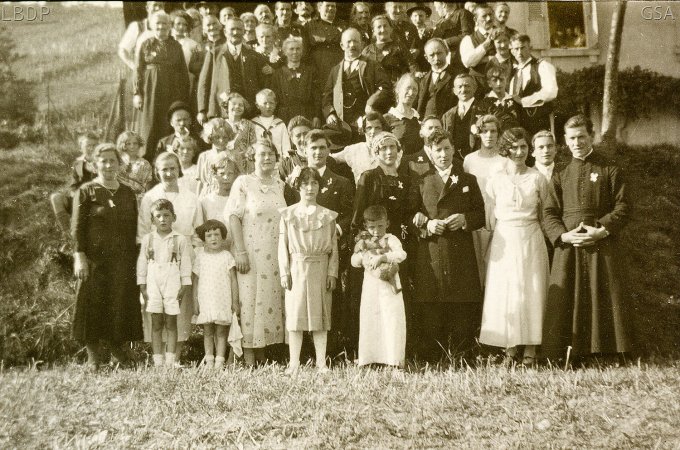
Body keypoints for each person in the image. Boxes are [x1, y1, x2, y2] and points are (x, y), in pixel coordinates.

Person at [542, 115, 632, 362]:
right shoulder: (560, 172)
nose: (577, 142)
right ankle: (567, 354)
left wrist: (602, 229)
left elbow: (623, 206)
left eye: (582, 136)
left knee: (602, 293)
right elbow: (548, 212)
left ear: (591, 136)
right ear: (565, 141)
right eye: (572, 138)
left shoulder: (609, 167)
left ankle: (606, 353)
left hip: (601, 243)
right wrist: (563, 235)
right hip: (569, 245)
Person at [408, 129, 485, 362]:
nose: (443, 154)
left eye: (447, 149)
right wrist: (427, 225)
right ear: (430, 153)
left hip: (459, 250)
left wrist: (465, 220)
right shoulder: (421, 181)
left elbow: (480, 214)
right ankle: (432, 354)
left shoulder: (467, 180)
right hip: (432, 252)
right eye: (438, 150)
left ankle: (461, 353)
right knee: (432, 301)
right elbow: (410, 215)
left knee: (460, 301)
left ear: (453, 150)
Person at [479, 127, 550, 366]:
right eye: (514, 147)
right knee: (507, 291)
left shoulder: (537, 177)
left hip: (530, 236)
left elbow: (543, 214)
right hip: (504, 238)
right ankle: (510, 347)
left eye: (524, 147)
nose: (520, 152)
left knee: (532, 289)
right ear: (505, 149)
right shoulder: (496, 179)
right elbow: (491, 215)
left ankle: (531, 347)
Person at [72, 144, 142, 370]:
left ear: (120, 164)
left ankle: (118, 353)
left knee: (119, 304)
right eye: (103, 161)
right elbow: (77, 227)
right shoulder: (86, 191)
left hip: (123, 260)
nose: (109, 165)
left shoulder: (128, 192)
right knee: (92, 304)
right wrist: (79, 256)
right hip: (94, 260)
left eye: (113, 160)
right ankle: (93, 357)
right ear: (94, 164)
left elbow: (135, 228)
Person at [226, 142, 289, 366]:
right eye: (262, 154)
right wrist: (240, 251)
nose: (267, 159)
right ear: (253, 157)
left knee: (269, 299)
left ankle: (263, 352)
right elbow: (234, 217)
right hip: (251, 252)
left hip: (275, 253)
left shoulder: (280, 185)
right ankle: (247, 355)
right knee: (249, 300)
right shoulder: (243, 183)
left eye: (271, 154)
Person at [138, 152, 204, 362]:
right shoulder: (149, 197)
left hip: (183, 254)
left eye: (172, 168)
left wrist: (194, 262)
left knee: (180, 307)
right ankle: (158, 356)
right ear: (157, 173)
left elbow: (198, 232)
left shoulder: (191, 197)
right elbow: (142, 233)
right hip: (156, 258)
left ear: (179, 169)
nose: (168, 173)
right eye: (164, 169)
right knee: (156, 307)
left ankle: (174, 356)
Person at [279, 167, 339, 373]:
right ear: (298, 187)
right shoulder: (288, 214)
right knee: (295, 317)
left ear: (319, 187)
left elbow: (334, 248)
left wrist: (332, 272)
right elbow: (283, 245)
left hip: (320, 269)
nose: (310, 188)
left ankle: (321, 363)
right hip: (296, 269)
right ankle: (294, 363)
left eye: (314, 183)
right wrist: (284, 272)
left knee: (320, 317)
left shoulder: (328, 216)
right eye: (305, 184)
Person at [137, 199, 192, 367]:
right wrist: (142, 285)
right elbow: (142, 262)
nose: (162, 219)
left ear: (173, 217)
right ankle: (158, 361)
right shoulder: (148, 239)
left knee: (171, 322)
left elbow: (186, 265)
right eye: (158, 216)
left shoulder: (180, 239)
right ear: (152, 220)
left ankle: (171, 360)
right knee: (156, 322)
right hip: (153, 283)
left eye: (166, 215)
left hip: (172, 283)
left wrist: (184, 285)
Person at [351, 205, 407, 367]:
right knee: (371, 317)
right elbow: (355, 262)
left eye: (380, 226)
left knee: (391, 317)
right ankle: (369, 357)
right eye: (372, 227)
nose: (376, 230)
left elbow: (401, 254)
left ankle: (393, 358)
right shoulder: (364, 241)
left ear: (387, 223)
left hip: (389, 286)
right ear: (365, 226)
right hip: (371, 286)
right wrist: (360, 257)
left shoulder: (391, 239)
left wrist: (383, 258)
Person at [134, 11, 191, 161]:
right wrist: (137, 93)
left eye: (164, 23)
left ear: (169, 26)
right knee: (149, 125)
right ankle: (145, 161)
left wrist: (183, 98)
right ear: (152, 26)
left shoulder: (176, 46)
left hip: (171, 90)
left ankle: (167, 159)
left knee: (167, 124)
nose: (161, 27)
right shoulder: (146, 44)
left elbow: (183, 72)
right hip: (150, 90)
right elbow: (138, 69)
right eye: (158, 23)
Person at [322, 28, 391, 142]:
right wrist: (330, 113)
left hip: (366, 122)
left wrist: (371, 103)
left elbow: (385, 87)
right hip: (343, 125)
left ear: (362, 44)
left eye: (356, 41)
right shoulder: (335, 70)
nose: (352, 45)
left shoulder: (372, 65)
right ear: (342, 45)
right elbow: (326, 96)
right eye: (348, 42)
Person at [197, 18, 271, 123]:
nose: (235, 32)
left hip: (247, 112)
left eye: (239, 29)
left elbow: (263, 83)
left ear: (244, 32)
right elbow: (204, 83)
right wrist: (202, 110)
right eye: (232, 29)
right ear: (225, 32)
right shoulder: (214, 54)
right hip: (220, 110)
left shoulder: (254, 56)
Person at [193, 219, 241, 368]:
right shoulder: (200, 257)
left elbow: (233, 280)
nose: (213, 238)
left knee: (221, 332)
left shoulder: (227, 256)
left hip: (223, 299)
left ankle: (220, 361)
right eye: (209, 235)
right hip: (206, 300)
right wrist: (195, 302)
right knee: (207, 331)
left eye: (216, 234)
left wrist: (234, 301)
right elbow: (195, 281)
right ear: (203, 239)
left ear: (223, 237)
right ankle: (209, 360)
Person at [463, 114, 505, 285]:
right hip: (476, 213)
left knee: (495, 261)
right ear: (478, 134)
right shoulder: (470, 159)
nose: (489, 135)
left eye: (493, 131)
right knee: (476, 260)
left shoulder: (504, 161)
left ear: (498, 134)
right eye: (485, 131)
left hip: (497, 214)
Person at [50, 132, 98, 241]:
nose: (91, 148)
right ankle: (66, 233)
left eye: (94, 145)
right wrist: (75, 194)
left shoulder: (102, 161)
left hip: (96, 198)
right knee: (56, 197)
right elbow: (73, 185)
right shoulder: (78, 163)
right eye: (88, 145)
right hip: (79, 198)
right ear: (81, 147)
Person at [509, 34, 558, 137]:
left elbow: (551, 91)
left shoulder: (542, 66)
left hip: (540, 119)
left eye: (523, 48)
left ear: (530, 48)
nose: (519, 52)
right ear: (512, 51)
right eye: (516, 49)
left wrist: (524, 101)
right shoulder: (514, 72)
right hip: (521, 122)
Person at [270, 36, 322, 126]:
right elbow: (274, 99)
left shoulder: (311, 71)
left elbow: (317, 96)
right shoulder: (278, 74)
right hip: (285, 117)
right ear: (285, 52)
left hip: (307, 115)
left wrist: (317, 116)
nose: (295, 52)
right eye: (291, 49)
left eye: (298, 49)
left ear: (302, 51)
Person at [330, 111, 389, 184]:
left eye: (377, 128)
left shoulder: (390, 151)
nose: (373, 131)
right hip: (361, 193)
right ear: (364, 130)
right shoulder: (354, 150)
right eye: (369, 128)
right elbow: (332, 158)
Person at [361, 15, 413, 85]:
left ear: (391, 29)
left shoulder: (399, 47)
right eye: (379, 27)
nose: (383, 30)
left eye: (385, 26)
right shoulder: (367, 51)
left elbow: (412, 66)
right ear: (373, 31)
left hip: (396, 87)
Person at [416, 38, 461, 118]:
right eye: (432, 55)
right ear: (426, 58)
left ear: (446, 52)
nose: (436, 58)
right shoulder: (423, 79)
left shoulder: (457, 76)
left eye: (439, 53)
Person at [305, 2, 346, 84]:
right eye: (327, 5)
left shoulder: (343, 25)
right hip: (317, 71)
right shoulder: (310, 25)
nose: (330, 8)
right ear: (319, 8)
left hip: (337, 69)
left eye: (333, 6)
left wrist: (322, 40)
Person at [459, 3, 497, 92]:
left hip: (499, 83)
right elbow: (468, 62)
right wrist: (486, 43)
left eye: (490, 15)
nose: (488, 19)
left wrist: (481, 60)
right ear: (476, 19)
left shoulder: (504, 35)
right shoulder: (468, 39)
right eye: (484, 16)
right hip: (478, 85)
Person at [199, 155, 239, 240]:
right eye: (222, 173)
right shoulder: (206, 201)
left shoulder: (240, 199)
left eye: (230, 173)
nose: (226, 177)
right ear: (215, 175)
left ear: (235, 175)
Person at [196, 118, 237, 197]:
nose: (221, 140)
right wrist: (198, 201)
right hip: (207, 195)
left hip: (227, 193)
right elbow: (200, 183)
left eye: (225, 137)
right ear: (210, 137)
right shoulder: (204, 156)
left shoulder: (233, 155)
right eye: (217, 137)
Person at [442, 73, 480, 159]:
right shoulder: (447, 115)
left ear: (475, 88)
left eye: (467, 86)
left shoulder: (483, 110)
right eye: (459, 87)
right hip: (454, 161)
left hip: (476, 159)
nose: (463, 90)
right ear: (454, 91)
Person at [384, 73, 422, 156]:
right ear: (398, 89)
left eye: (415, 89)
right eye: (408, 88)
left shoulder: (419, 119)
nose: (411, 93)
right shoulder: (386, 119)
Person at [475, 66, 522, 132]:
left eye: (502, 79)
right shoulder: (483, 103)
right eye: (494, 80)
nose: (499, 83)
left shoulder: (515, 101)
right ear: (489, 83)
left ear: (506, 80)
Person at [431, 2, 474, 70]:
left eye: (436, 6)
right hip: (445, 60)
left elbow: (467, 36)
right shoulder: (440, 21)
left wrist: (446, 42)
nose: (436, 10)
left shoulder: (462, 13)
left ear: (444, 5)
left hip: (459, 58)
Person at [251, 89, 291, 157]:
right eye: (265, 103)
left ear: (275, 104)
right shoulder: (252, 124)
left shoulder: (280, 124)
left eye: (271, 103)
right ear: (257, 105)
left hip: (278, 162)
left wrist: (285, 163)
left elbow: (286, 147)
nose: (268, 106)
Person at [116, 131, 153, 202]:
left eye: (135, 143)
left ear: (139, 145)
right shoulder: (117, 162)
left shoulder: (144, 164)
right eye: (128, 144)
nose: (132, 147)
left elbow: (147, 186)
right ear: (123, 145)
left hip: (137, 199)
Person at [279, 116, 312, 184]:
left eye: (306, 134)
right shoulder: (286, 164)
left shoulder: (323, 158)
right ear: (292, 139)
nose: (303, 139)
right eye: (298, 136)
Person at [407, 3, 433, 73]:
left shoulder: (430, 31)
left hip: (425, 62)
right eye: (415, 16)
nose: (418, 19)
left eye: (421, 16)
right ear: (411, 17)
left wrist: (420, 51)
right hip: (410, 64)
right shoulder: (407, 32)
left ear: (426, 17)